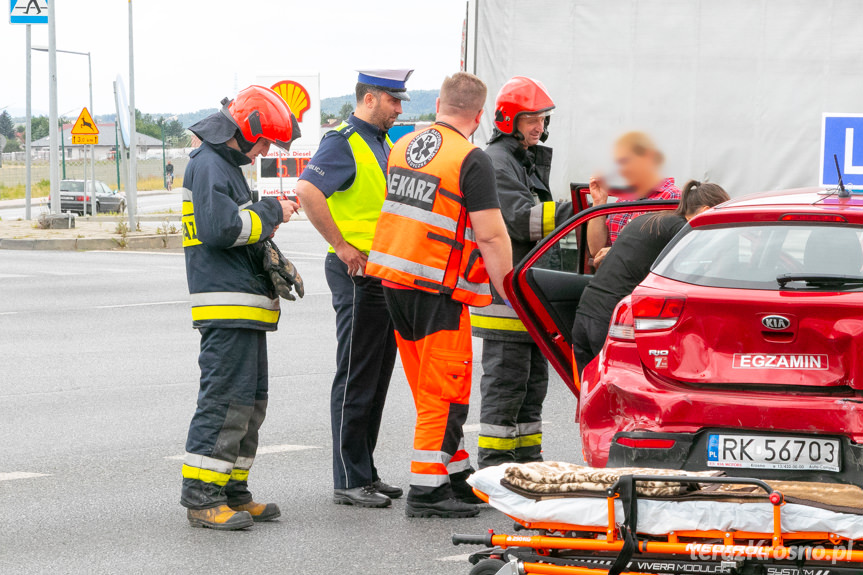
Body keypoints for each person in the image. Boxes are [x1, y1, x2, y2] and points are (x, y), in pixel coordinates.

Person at [365, 72, 514, 518]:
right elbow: (490, 236)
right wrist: (510, 289)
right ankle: (427, 492)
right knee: (444, 393)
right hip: (437, 289)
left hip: (395, 281)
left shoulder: (404, 145)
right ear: (480, 115)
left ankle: (457, 476)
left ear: (438, 107)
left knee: (430, 388)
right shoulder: (471, 158)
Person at [179, 86, 301, 530]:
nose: (265, 150)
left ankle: (233, 491)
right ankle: (201, 497)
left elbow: (239, 229)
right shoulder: (210, 165)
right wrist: (272, 211)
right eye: (265, 140)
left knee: (249, 404)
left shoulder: (226, 166)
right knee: (224, 403)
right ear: (246, 128)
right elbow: (223, 229)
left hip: (244, 307)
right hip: (226, 306)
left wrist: (267, 240)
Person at [295, 69, 413, 509]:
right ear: (370, 99)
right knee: (356, 375)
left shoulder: (379, 141)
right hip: (357, 271)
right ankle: (348, 477)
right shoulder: (343, 139)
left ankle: (365, 472)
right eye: (393, 101)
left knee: (377, 376)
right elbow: (308, 189)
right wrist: (340, 245)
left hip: (382, 272)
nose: (399, 109)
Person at [471, 77, 572, 469]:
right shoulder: (498, 163)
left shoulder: (520, 160)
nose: (540, 128)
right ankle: (496, 467)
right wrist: (574, 211)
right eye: (532, 120)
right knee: (506, 386)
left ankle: (527, 460)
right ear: (510, 120)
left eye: (543, 120)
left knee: (531, 387)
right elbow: (519, 220)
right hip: (506, 300)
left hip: (526, 299)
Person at [572, 180, 730, 374]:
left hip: (585, 314)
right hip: (610, 322)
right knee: (625, 395)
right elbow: (699, 280)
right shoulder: (682, 231)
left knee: (591, 395)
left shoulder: (650, 221)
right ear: (705, 211)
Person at [586, 131, 681, 262]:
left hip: (643, 281)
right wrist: (599, 202)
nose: (621, 169)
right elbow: (596, 250)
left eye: (626, 161)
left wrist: (616, 252)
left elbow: (668, 252)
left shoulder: (672, 197)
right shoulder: (624, 200)